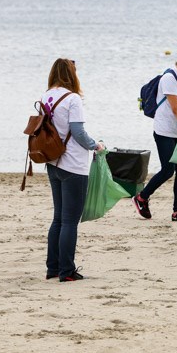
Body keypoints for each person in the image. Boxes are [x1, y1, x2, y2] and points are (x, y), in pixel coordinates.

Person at [42, 58, 104, 282]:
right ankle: (67, 271)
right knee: (70, 220)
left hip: (53, 161)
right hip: (73, 165)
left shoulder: (47, 95)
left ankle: (53, 267)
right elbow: (77, 131)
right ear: (71, 74)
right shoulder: (73, 98)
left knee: (58, 218)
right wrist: (95, 145)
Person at [132, 45, 177, 222]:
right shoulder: (169, 77)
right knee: (168, 169)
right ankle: (141, 197)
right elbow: (175, 108)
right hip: (164, 130)